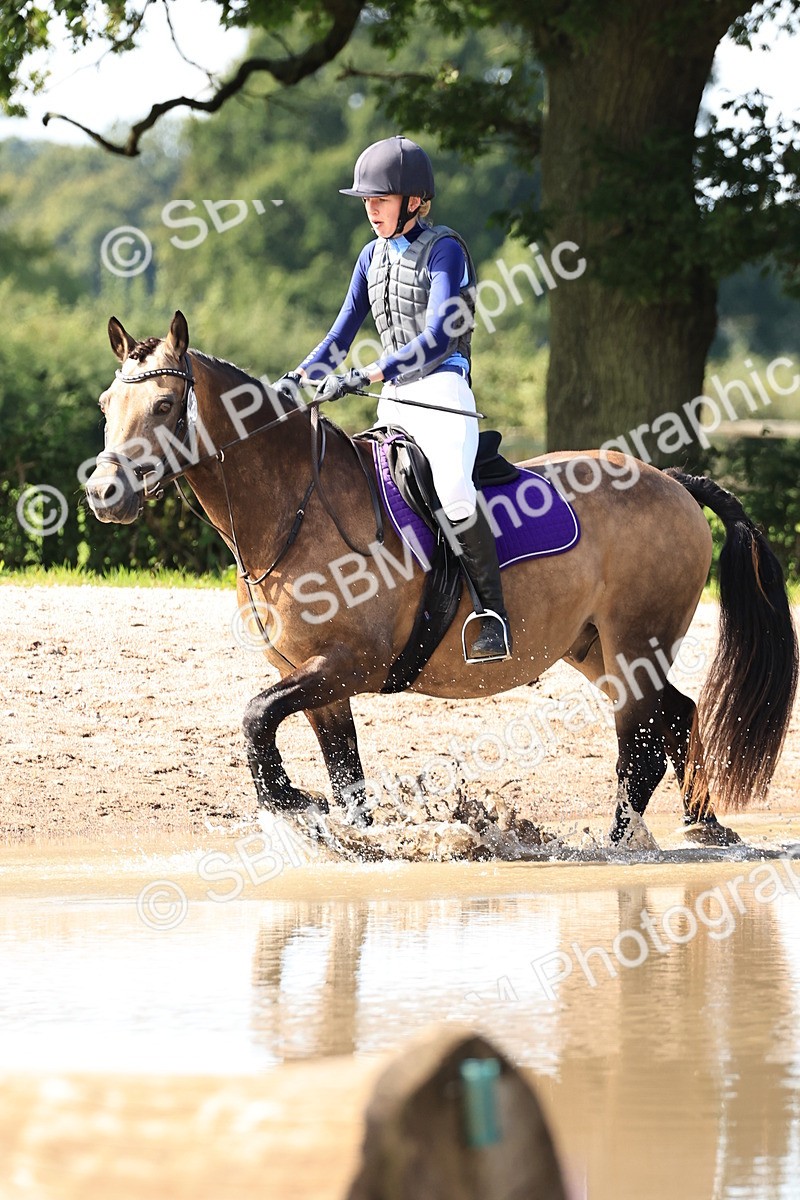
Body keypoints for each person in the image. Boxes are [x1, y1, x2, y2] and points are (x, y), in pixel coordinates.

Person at [277, 135, 511, 662]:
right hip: (396, 401)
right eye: (366, 202)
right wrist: (295, 379)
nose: (371, 211)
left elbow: (438, 338)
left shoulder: (446, 249)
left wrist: (367, 373)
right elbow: (340, 335)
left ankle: (492, 613)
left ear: (414, 201)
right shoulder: (370, 256)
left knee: (452, 489)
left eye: (379, 200)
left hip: (443, 393)